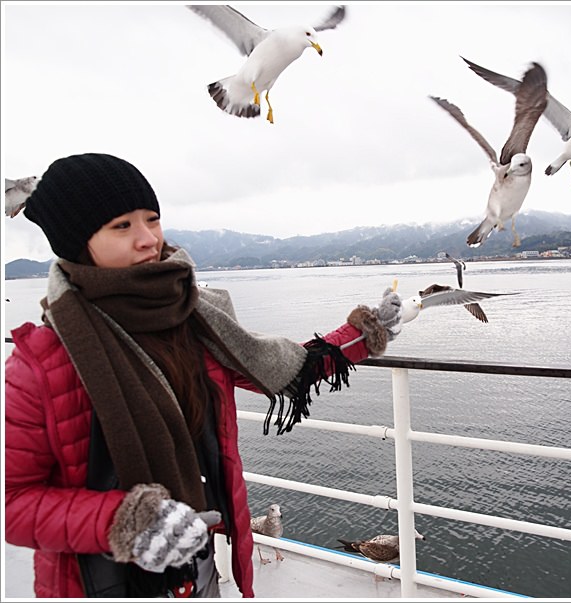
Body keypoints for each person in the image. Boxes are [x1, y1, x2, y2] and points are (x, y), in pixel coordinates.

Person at [4, 153, 404, 598]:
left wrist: (366, 333)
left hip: (194, 571)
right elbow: (14, 503)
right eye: (122, 226)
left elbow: (280, 368)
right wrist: (128, 522)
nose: (148, 239)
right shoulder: (41, 361)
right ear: (79, 242)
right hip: (96, 580)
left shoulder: (193, 320)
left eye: (152, 219)